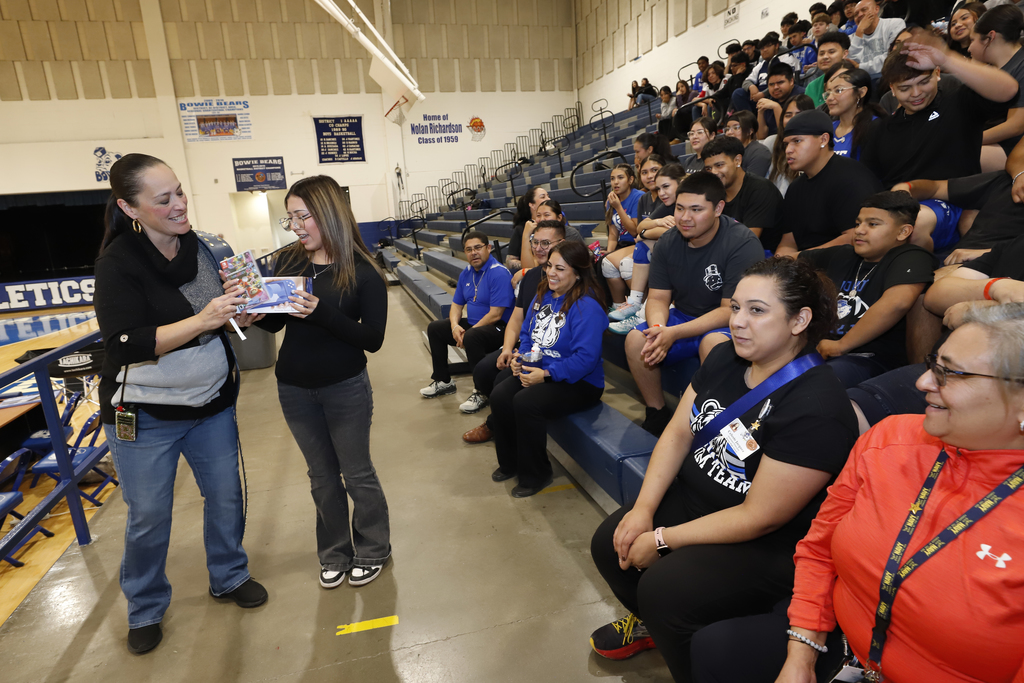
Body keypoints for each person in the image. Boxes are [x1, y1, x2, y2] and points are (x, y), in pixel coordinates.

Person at [692, 302, 1024, 683]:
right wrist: (801, 653)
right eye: (935, 364)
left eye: (952, 374)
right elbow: (818, 548)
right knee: (714, 650)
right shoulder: (890, 436)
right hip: (844, 643)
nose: (923, 383)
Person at [590, 256, 858, 682]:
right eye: (735, 307)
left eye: (757, 310)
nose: (738, 322)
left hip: (764, 543)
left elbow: (758, 517)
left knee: (664, 591)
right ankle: (657, 630)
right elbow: (678, 434)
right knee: (610, 542)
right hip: (697, 501)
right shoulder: (725, 358)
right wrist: (643, 509)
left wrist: (662, 539)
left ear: (799, 320)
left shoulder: (817, 408)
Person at [93, 153, 266, 655]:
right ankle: (145, 607)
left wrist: (240, 316)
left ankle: (229, 576)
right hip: (144, 415)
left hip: (210, 405)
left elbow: (226, 321)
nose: (178, 204)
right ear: (130, 207)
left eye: (180, 192)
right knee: (149, 516)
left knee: (227, 497)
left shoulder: (208, 247)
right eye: (163, 199)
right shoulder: (117, 263)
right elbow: (124, 344)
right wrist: (205, 319)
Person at [250, 175, 391, 590]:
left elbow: (373, 339)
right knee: (321, 476)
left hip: (345, 387)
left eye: (301, 217)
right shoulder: (289, 261)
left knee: (356, 472)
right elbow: (277, 322)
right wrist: (255, 316)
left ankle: (373, 548)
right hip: (294, 388)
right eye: (290, 218)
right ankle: (334, 552)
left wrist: (320, 312)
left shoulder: (362, 270)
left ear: (327, 214)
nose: (294, 226)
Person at [624, 172, 765, 436]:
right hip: (685, 317)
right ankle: (656, 412)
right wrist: (658, 329)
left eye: (696, 209)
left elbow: (729, 311)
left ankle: (712, 424)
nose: (685, 218)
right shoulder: (668, 241)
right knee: (636, 340)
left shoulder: (741, 243)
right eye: (679, 208)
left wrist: (673, 333)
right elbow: (657, 297)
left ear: (718, 208)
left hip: (732, 323)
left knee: (713, 344)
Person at [488, 242, 607, 498]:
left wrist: (546, 375)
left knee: (525, 402)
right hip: (543, 369)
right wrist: (522, 357)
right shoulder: (543, 294)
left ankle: (537, 474)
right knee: (499, 394)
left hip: (580, 382)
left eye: (560, 269)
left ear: (577, 273)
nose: (551, 272)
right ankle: (510, 463)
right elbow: (528, 334)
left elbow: (585, 360)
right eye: (550, 266)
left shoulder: (587, 306)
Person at [799, 191, 934, 387]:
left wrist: (841, 345)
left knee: (819, 381)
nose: (859, 231)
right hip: (820, 351)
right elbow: (786, 264)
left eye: (872, 224)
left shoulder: (912, 257)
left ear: (903, 232)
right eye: (857, 223)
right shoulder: (843, 255)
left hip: (870, 359)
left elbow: (897, 303)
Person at [860, 31, 1019, 188]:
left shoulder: (959, 102)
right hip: (897, 205)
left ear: (937, 73)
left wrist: (947, 59)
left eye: (923, 82)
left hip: (954, 202)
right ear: (892, 89)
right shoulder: (880, 130)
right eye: (905, 88)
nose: (916, 93)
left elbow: (1009, 90)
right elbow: (868, 181)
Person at [462, 221, 568, 444]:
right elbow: (516, 319)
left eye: (546, 243)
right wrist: (508, 349)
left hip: (545, 353)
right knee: (483, 371)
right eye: (535, 242)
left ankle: (496, 424)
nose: (538, 248)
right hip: (525, 346)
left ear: (562, 244)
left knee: (501, 380)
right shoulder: (531, 276)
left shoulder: (565, 279)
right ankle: (500, 420)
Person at [420, 230, 514, 401]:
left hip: (500, 328)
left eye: (478, 247)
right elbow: (456, 305)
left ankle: (481, 390)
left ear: (488, 248)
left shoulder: (498, 273)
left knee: (472, 337)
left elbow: (495, 314)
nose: (473, 253)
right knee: (435, 328)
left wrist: (468, 332)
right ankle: (443, 380)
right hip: (475, 326)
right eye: (469, 249)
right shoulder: (467, 272)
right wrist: (455, 326)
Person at [775, 110, 883, 255]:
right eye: (786, 144)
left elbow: (854, 237)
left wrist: (799, 259)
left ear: (824, 140)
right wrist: (779, 265)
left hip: (846, 266)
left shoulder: (851, 178)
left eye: (797, 141)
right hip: (804, 267)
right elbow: (789, 242)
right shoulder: (795, 188)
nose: (788, 150)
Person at [609, 163, 690, 334]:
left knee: (646, 245)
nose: (661, 193)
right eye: (659, 188)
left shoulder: (689, 201)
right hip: (672, 253)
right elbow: (641, 228)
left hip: (690, 258)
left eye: (666, 187)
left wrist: (648, 233)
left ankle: (640, 316)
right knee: (642, 245)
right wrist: (657, 222)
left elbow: (677, 231)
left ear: (681, 182)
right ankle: (635, 302)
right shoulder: (668, 203)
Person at [701, 135, 784, 252]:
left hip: (764, 258)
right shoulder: (714, 192)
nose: (714, 172)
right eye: (708, 169)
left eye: (719, 165)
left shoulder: (760, 189)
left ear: (737, 161)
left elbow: (747, 242)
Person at [969, 5, 1024, 166]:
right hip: (994, 140)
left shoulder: (1021, 65)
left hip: (1014, 147)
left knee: (948, 158)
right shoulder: (993, 68)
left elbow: (1015, 126)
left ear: (990, 37)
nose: (970, 47)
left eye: (973, 40)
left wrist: (968, 140)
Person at [602, 164, 646, 305]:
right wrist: (608, 251)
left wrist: (618, 207)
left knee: (624, 264)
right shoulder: (611, 201)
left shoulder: (638, 197)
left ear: (631, 179)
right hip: (623, 244)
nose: (615, 182)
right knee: (604, 262)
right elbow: (613, 234)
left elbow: (634, 230)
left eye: (620, 177)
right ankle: (618, 305)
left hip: (638, 242)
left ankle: (639, 306)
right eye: (612, 178)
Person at [826, 67, 886, 159]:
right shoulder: (828, 129)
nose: (829, 98)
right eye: (828, 93)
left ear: (861, 92)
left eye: (838, 90)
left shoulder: (875, 127)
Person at [767, 94, 817, 197]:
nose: (793, 119)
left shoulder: (814, 147)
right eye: (788, 115)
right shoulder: (771, 142)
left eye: (799, 114)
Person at [516, 198, 584, 272]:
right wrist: (526, 235)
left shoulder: (570, 234)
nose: (542, 219)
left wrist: (524, 272)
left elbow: (562, 269)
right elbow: (530, 267)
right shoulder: (538, 234)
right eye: (538, 215)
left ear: (559, 218)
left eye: (547, 215)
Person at [848, 0, 907, 75]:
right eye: (856, 14)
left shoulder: (895, 24)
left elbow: (893, 57)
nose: (859, 15)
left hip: (891, 74)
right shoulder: (851, 38)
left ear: (876, 9)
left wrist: (860, 66)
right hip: (864, 79)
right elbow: (851, 64)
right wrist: (859, 31)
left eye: (864, 10)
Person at [755, 62, 805, 139]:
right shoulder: (770, 101)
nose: (775, 87)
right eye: (771, 84)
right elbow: (761, 137)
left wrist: (776, 108)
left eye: (780, 82)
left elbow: (788, 134)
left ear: (791, 81)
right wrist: (760, 112)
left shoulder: (802, 97)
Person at [506, 186, 549, 272]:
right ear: (532, 205)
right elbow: (509, 261)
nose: (548, 199)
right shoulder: (521, 229)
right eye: (543, 197)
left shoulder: (558, 227)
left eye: (548, 196)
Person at [804, 31, 852, 105]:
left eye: (831, 52)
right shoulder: (812, 86)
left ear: (845, 53)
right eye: (821, 54)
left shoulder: (854, 79)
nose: (825, 57)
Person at [723, 111, 773, 177]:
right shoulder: (727, 151)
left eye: (736, 128)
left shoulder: (759, 152)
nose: (729, 132)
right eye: (728, 128)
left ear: (749, 131)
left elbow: (753, 184)